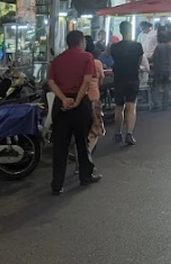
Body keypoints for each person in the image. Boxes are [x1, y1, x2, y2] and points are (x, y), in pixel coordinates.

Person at [46, 30, 100, 194]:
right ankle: (85, 176)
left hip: (61, 105)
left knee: (60, 145)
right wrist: (76, 101)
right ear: (81, 42)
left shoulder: (57, 60)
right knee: (82, 142)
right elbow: (86, 81)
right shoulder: (86, 58)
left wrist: (63, 99)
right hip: (79, 103)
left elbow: (50, 82)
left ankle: (57, 184)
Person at [110, 21, 143, 146]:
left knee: (119, 108)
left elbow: (112, 58)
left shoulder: (115, 47)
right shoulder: (137, 46)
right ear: (130, 30)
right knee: (131, 106)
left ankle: (118, 133)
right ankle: (129, 134)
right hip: (132, 78)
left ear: (120, 31)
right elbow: (139, 62)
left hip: (119, 79)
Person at [84, 35, 105, 148]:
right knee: (95, 127)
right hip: (93, 97)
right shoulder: (96, 63)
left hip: (78, 98)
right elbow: (101, 78)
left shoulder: (77, 61)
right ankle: (88, 155)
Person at [151, 28, 171, 111]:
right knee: (167, 87)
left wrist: (154, 69)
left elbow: (155, 59)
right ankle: (165, 104)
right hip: (169, 69)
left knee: (156, 87)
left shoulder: (158, 47)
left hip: (160, 69)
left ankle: (157, 104)